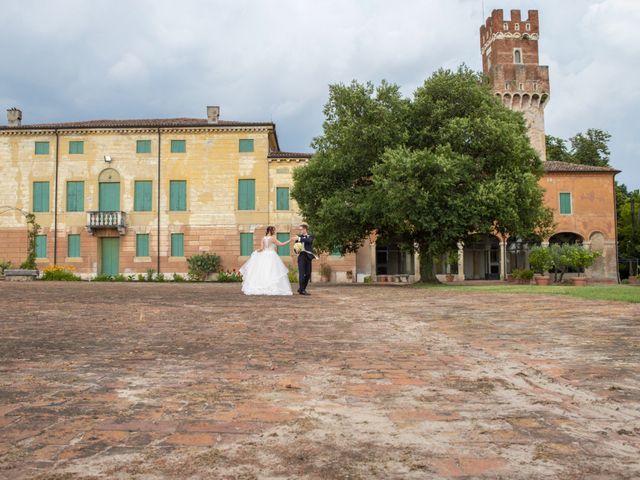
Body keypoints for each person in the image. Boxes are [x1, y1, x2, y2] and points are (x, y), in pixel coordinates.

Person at [239, 226, 294, 296]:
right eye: (274, 230)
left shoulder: (263, 238)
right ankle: (271, 287)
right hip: (272, 256)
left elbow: (261, 248)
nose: (275, 232)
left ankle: (263, 286)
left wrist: (256, 251)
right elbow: (281, 244)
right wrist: (290, 240)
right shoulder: (272, 239)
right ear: (272, 231)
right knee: (272, 271)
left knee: (263, 271)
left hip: (264, 255)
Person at [294, 223, 316, 295]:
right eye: (299, 229)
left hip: (308, 257)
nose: (300, 230)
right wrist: (296, 250)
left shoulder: (311, 236)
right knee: (301, 273)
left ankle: (301, 288)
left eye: (301, 229)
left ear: (305, 229)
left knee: (308, 274)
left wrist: (299, 238)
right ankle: (302, 290)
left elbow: (309, 241)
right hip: (301, 256)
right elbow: (295, 247)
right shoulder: (298, 237)